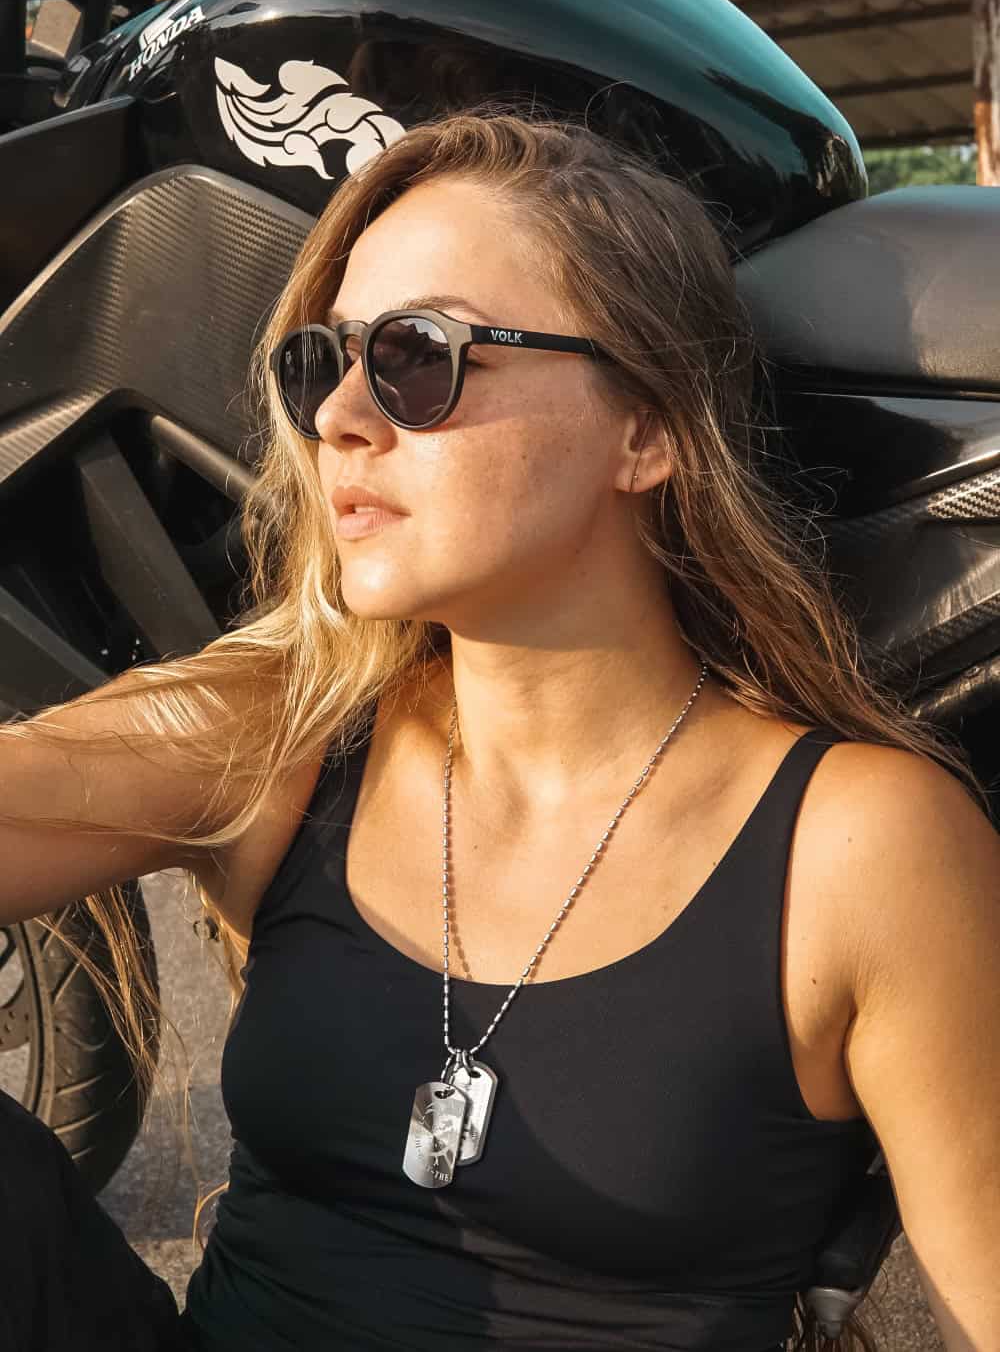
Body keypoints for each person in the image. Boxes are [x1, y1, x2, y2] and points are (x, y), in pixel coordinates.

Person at [1, 107, 998, 1352]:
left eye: (418, 356)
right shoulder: (288, 735)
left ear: (647, 429)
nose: (337, 417)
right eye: (320, 363)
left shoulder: (861, 847)